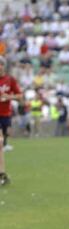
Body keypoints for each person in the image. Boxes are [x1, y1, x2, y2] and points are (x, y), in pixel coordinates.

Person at [0, 56, 23, 185]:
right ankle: (2, 173)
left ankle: (2, 174)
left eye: (1, 64)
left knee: (1, 144)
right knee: (0, 142)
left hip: (5, 115)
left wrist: (9, 96)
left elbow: (20, 96)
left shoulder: (10, 80)